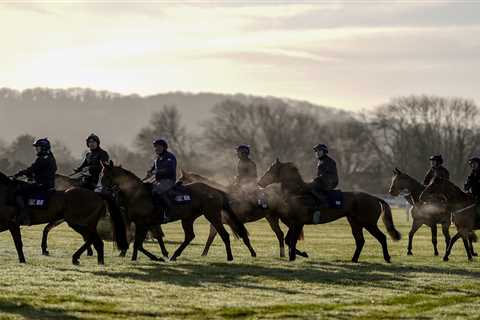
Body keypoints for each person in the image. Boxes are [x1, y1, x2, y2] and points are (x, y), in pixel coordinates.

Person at [13, 138, 57, 225]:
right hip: (46, 184)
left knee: (18, 192)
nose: (36, 149)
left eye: (38, 147)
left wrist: (20, 173)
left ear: (43, 148)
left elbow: (33, 169)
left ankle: (25, 216)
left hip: (42, 185)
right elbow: (37, 170)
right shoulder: (49, 157)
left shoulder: (43, 158)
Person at [143, 138, 177, 221]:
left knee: (156, 191)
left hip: (169, 181)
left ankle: (168, 211)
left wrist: (155, 172)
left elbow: (169, 170)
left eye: (158, 146)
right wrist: (142, 180)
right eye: (155, 147)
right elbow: (151, 172)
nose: (156, 148)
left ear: (164, 147)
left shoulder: (170, 157)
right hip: (158, 181)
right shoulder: (156, 159)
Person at [310, 144, 338, 224]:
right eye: (316, 151)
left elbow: (326, 175)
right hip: (324, 181)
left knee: (312, 189)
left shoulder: (329, 161)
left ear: (324, 152)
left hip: (330, 182)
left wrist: (315, 180)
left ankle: (323, 205)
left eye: (319, 151)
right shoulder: (321, 161)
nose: (317, 153)